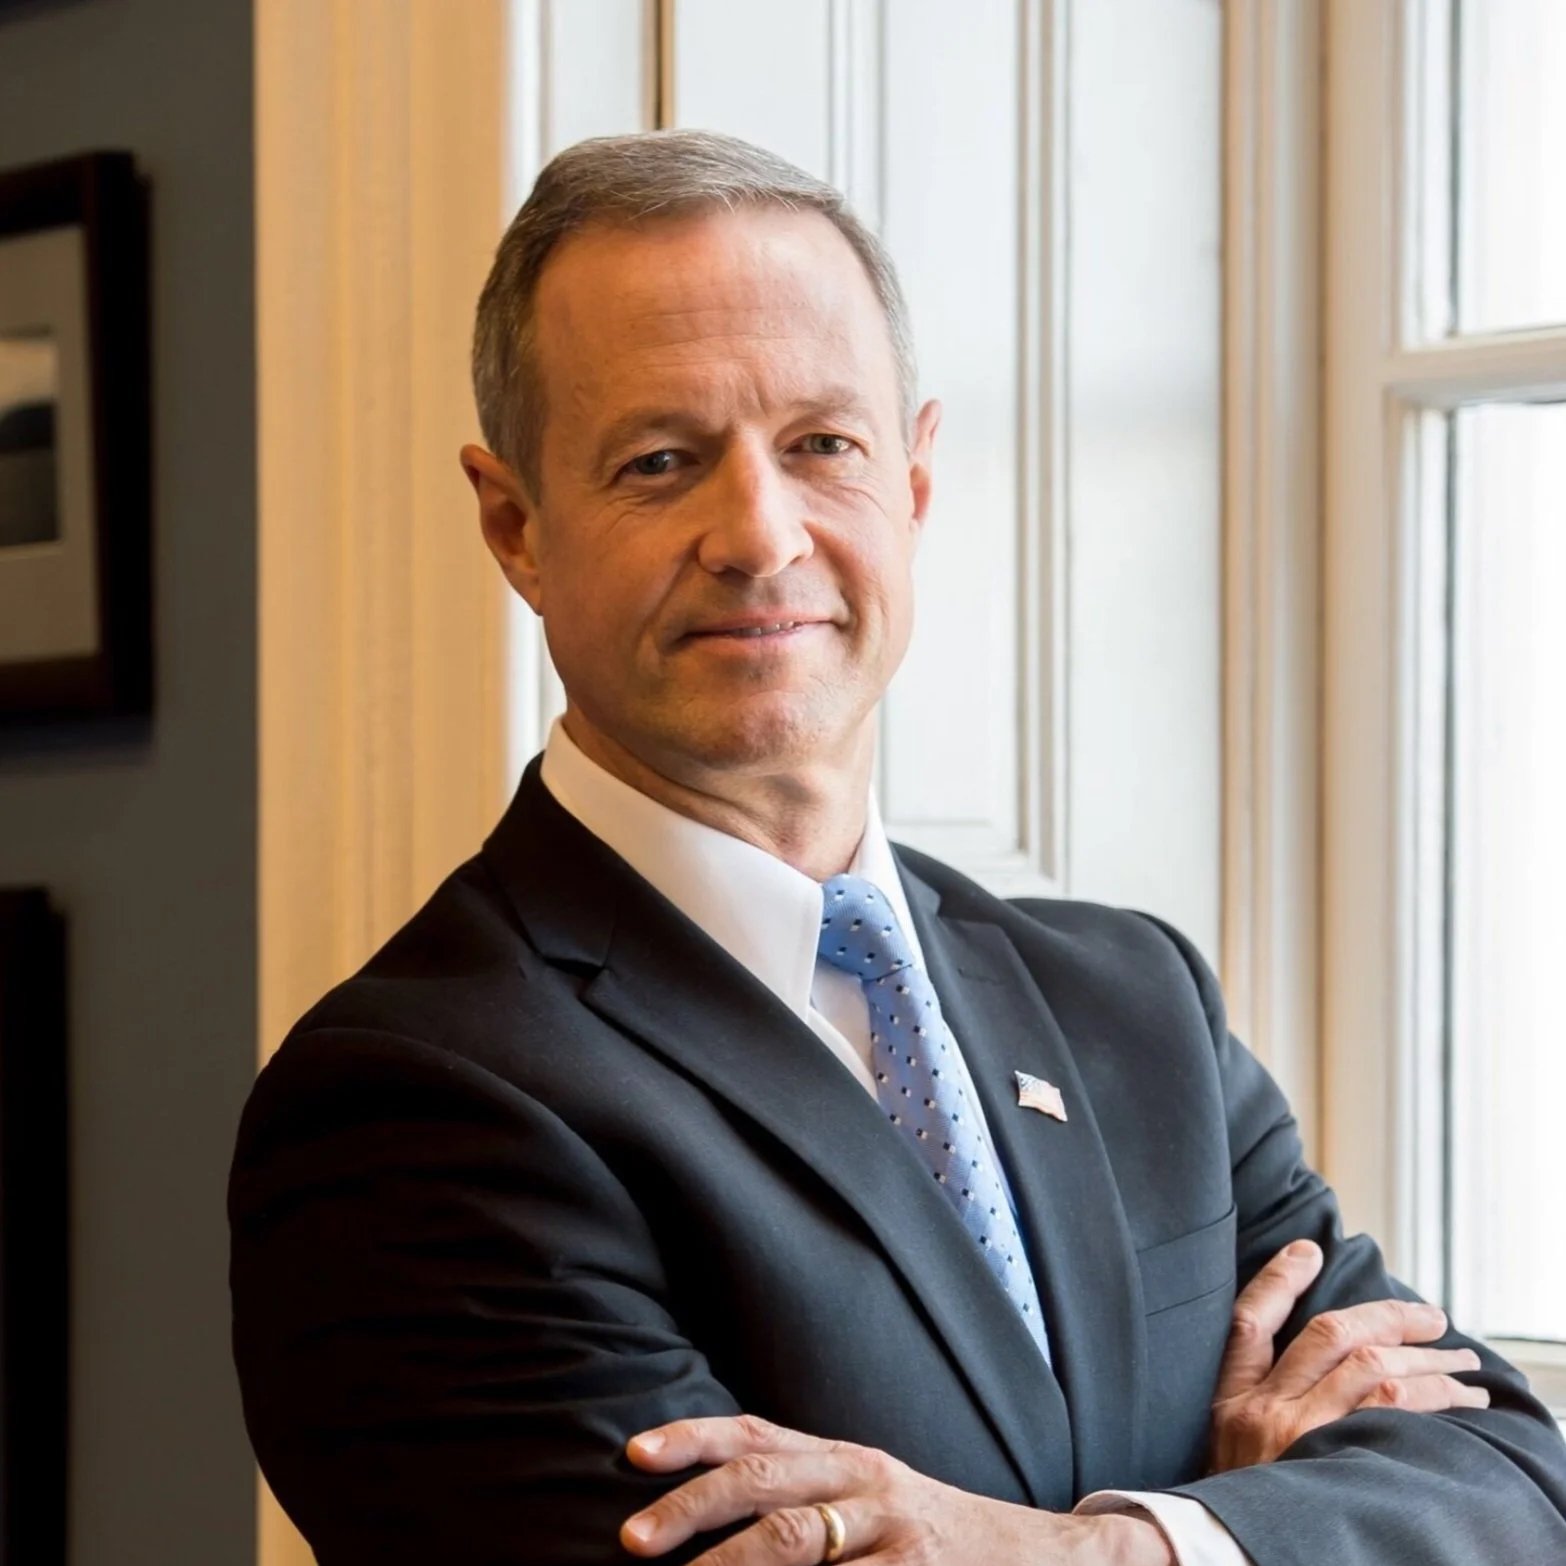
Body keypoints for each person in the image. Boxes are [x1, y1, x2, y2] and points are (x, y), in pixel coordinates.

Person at [228, 131, 1566, 1566]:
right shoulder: (411, 1103)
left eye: (821, 446)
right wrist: (1253, 1512)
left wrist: (1114, 1548)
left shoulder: (1134, 1003)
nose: (758, 533)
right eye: (662, 459)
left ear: (913, 480)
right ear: (516, 524)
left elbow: (1505, 1481)